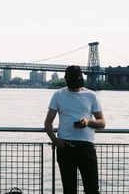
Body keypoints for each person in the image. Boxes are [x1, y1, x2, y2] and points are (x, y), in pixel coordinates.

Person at [44, 65, 105, 194]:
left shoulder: (91, 95)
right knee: (69, 190)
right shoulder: (58, 94)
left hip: (87, 148)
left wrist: (88, 122)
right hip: (66, 148)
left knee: (92, 190)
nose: (75, 86)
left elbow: (102, 123)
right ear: (66, 79)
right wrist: (54, 140)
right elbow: (48, 122)